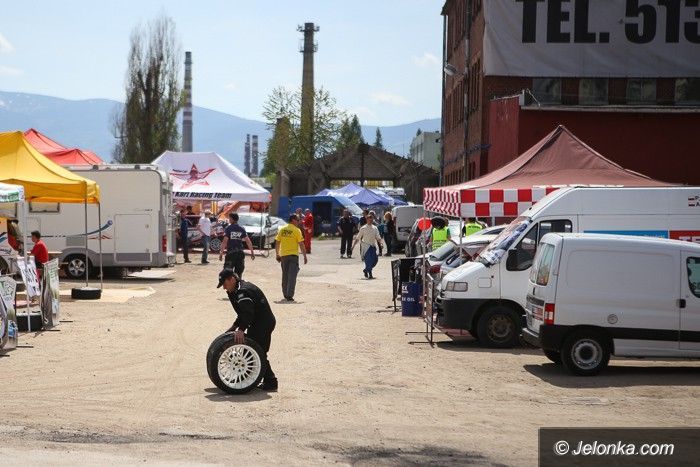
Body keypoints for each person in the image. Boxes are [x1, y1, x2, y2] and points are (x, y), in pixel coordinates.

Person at [217, 269, 278, 391]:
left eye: (224, 284)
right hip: (256, 323)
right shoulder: (235, 290)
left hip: (263, 324)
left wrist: (241, 329)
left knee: (257, 352)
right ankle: (247, 380)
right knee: (250, 353)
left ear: (232, 279)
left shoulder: (242, 291)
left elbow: (248, 314)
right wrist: (233, 328)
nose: (224, 288)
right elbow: (242, 313)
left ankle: (271, 382)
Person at [275, 214, 308, 301]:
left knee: (285, 275)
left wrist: (277, 254)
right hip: (293, 256)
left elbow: (277, 242)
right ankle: (289, 295)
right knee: (292, 276)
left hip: (284, 256)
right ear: (293, 220)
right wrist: (305, 256)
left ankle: (285, 294)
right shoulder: (297, 230)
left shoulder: (282, 229)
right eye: (297, 220)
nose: (299, 222)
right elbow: (301, 244)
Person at [219, 213, 255, 277]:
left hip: (231, 253)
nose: (229, 219)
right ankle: (238, 283)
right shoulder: (242, 229)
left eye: (229, 218)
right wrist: (252, 252)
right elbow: (248, 241)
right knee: (239, 273)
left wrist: (221, 253)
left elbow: (224, 242)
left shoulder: (228, 228)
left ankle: (230, 283)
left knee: (227, 272)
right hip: (240, 253)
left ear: (232, 219)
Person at [352, 212, 383, 279]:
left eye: (371, 220)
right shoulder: (363, 228)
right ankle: (370, 274)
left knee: (375, 260)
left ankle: (366, 270)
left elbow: (378, 237)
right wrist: (353, 246)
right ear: (367, 220)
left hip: (373, 246)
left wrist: (381, 243)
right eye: (369, 220)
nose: (370, 221)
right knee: (368, 261)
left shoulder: (375, 228)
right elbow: (358, 238)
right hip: (366, 247)